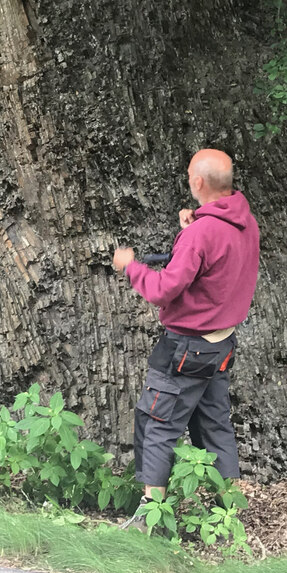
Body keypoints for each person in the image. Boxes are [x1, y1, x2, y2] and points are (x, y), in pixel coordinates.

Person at [112, 148, 260, 517]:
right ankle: (229, 509)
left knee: (157, 422)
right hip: (222, 343)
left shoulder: (202, 234)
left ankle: (150, 516)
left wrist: (130, 267)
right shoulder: (244, 223)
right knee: (214, 424)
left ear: (197, 182)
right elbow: (214, 264)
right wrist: (193, 230)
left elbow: (163, 290)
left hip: (186, 347)